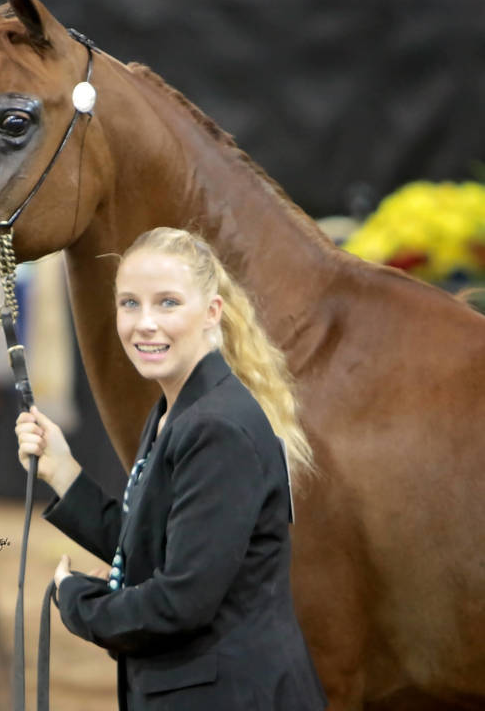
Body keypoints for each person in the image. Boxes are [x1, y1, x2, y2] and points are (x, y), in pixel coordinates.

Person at [16, 227, 327, 710]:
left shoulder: (216, 428)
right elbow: (156, 544)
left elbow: (180, 602)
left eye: (167, 303)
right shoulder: (175, 411)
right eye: (130, 304)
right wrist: (64, 472)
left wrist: (79, 602)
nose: (144, 323)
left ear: (211, 314)